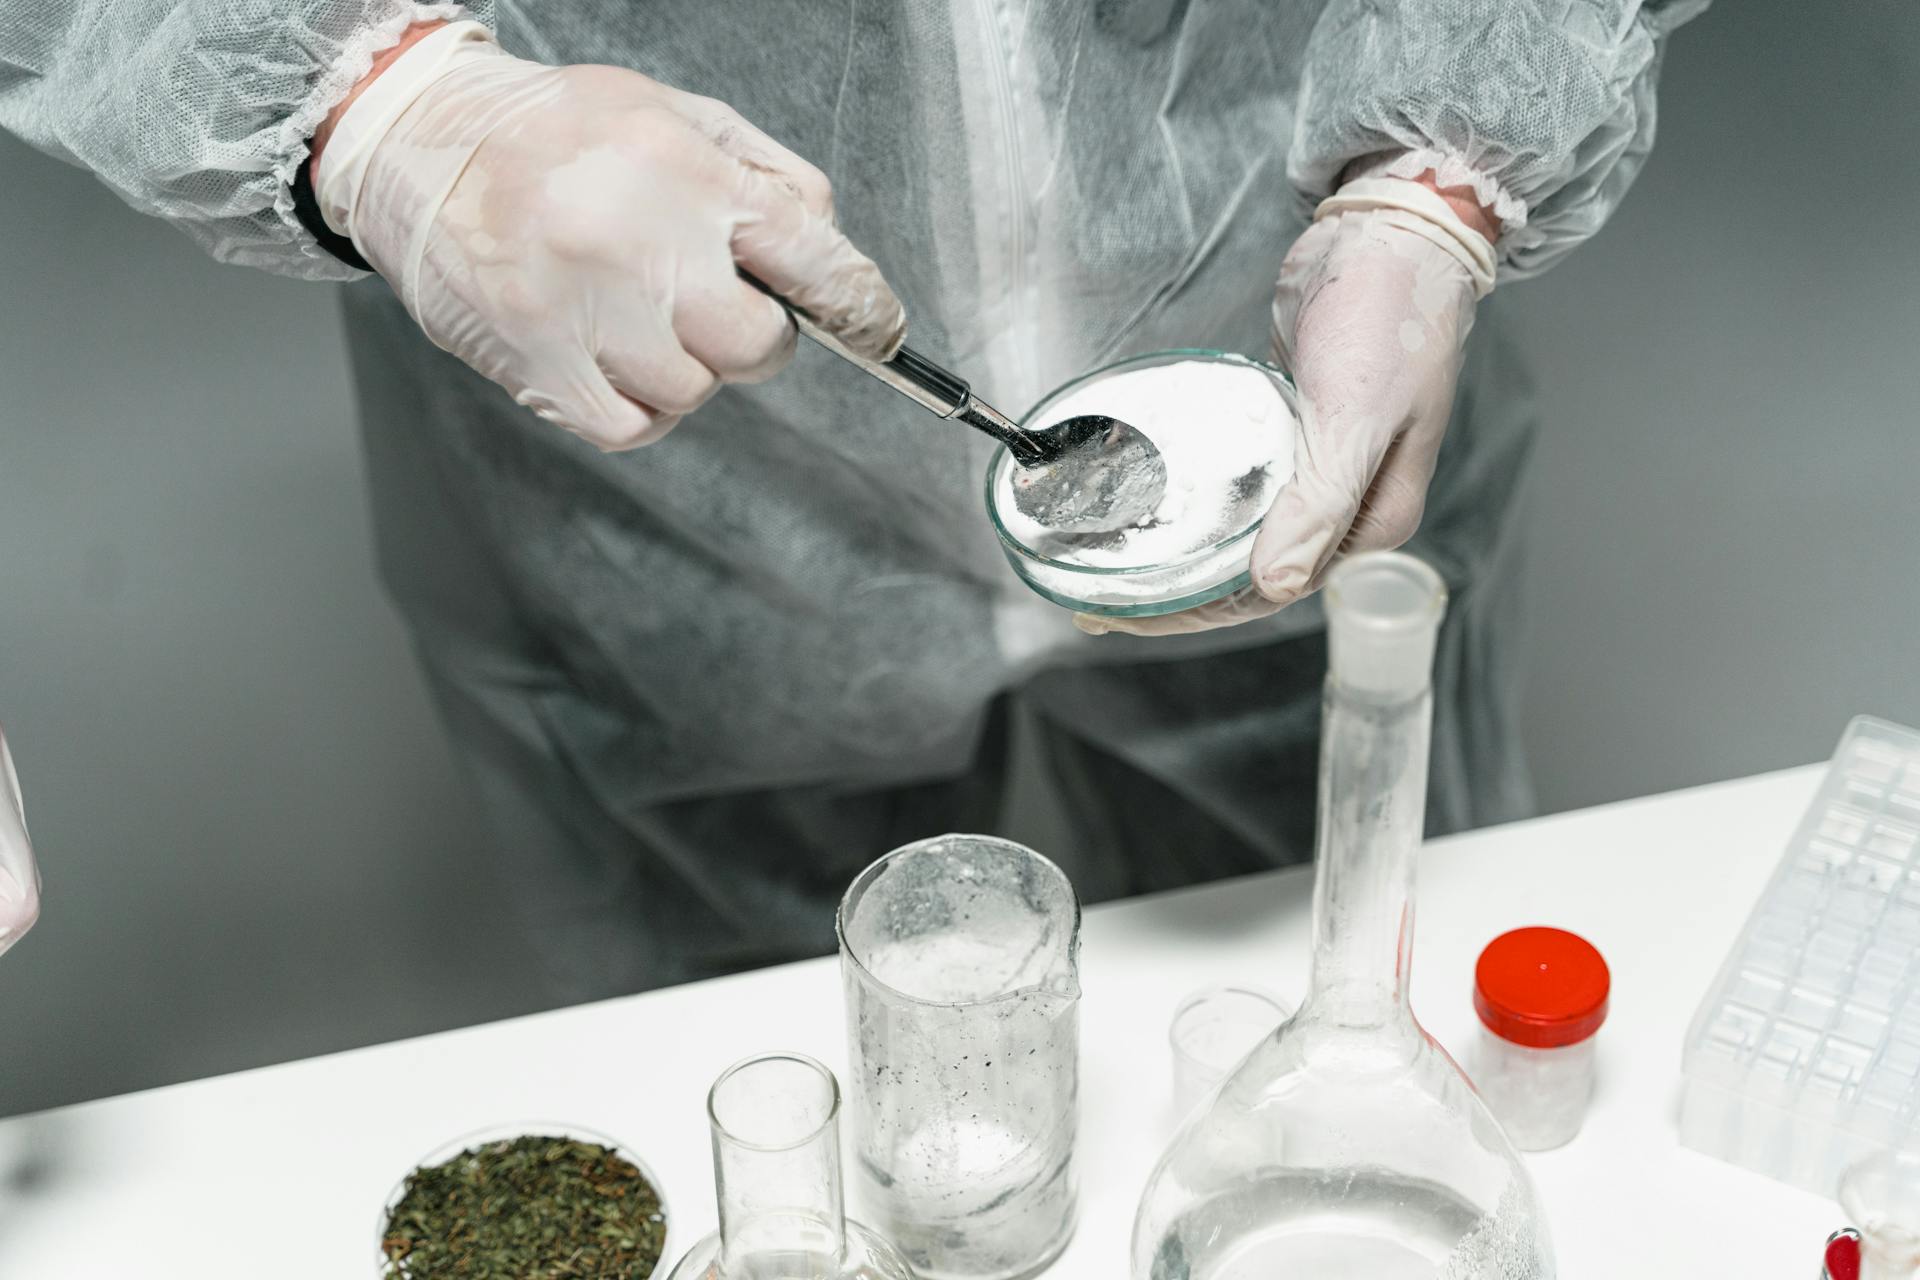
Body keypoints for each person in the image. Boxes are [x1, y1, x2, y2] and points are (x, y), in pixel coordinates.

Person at [0, 0, 1706, 996]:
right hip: (662, 437)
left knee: (1324, 995)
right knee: (766, 1083)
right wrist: (396, 111)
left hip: (1269, 322)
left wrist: (1443, 171)